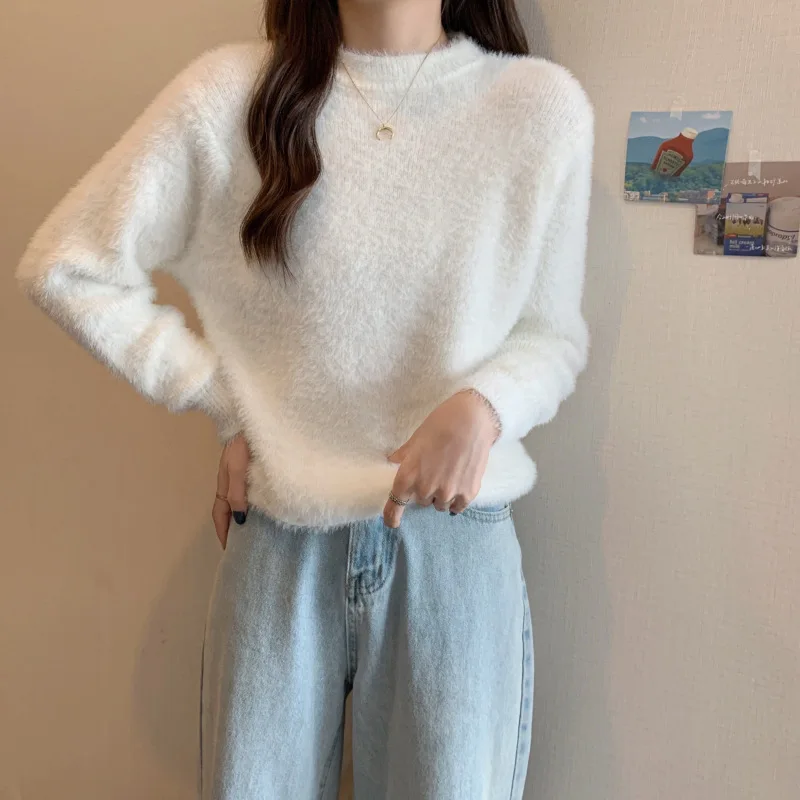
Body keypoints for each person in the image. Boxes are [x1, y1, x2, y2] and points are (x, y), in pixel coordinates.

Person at [17, 0, 593, 797]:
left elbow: (552, 335)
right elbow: (67, 266)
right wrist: (224, 402)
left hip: (454, 545)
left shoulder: (538, 107)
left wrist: (485, 407)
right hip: (281, 534)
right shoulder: (231, 96)